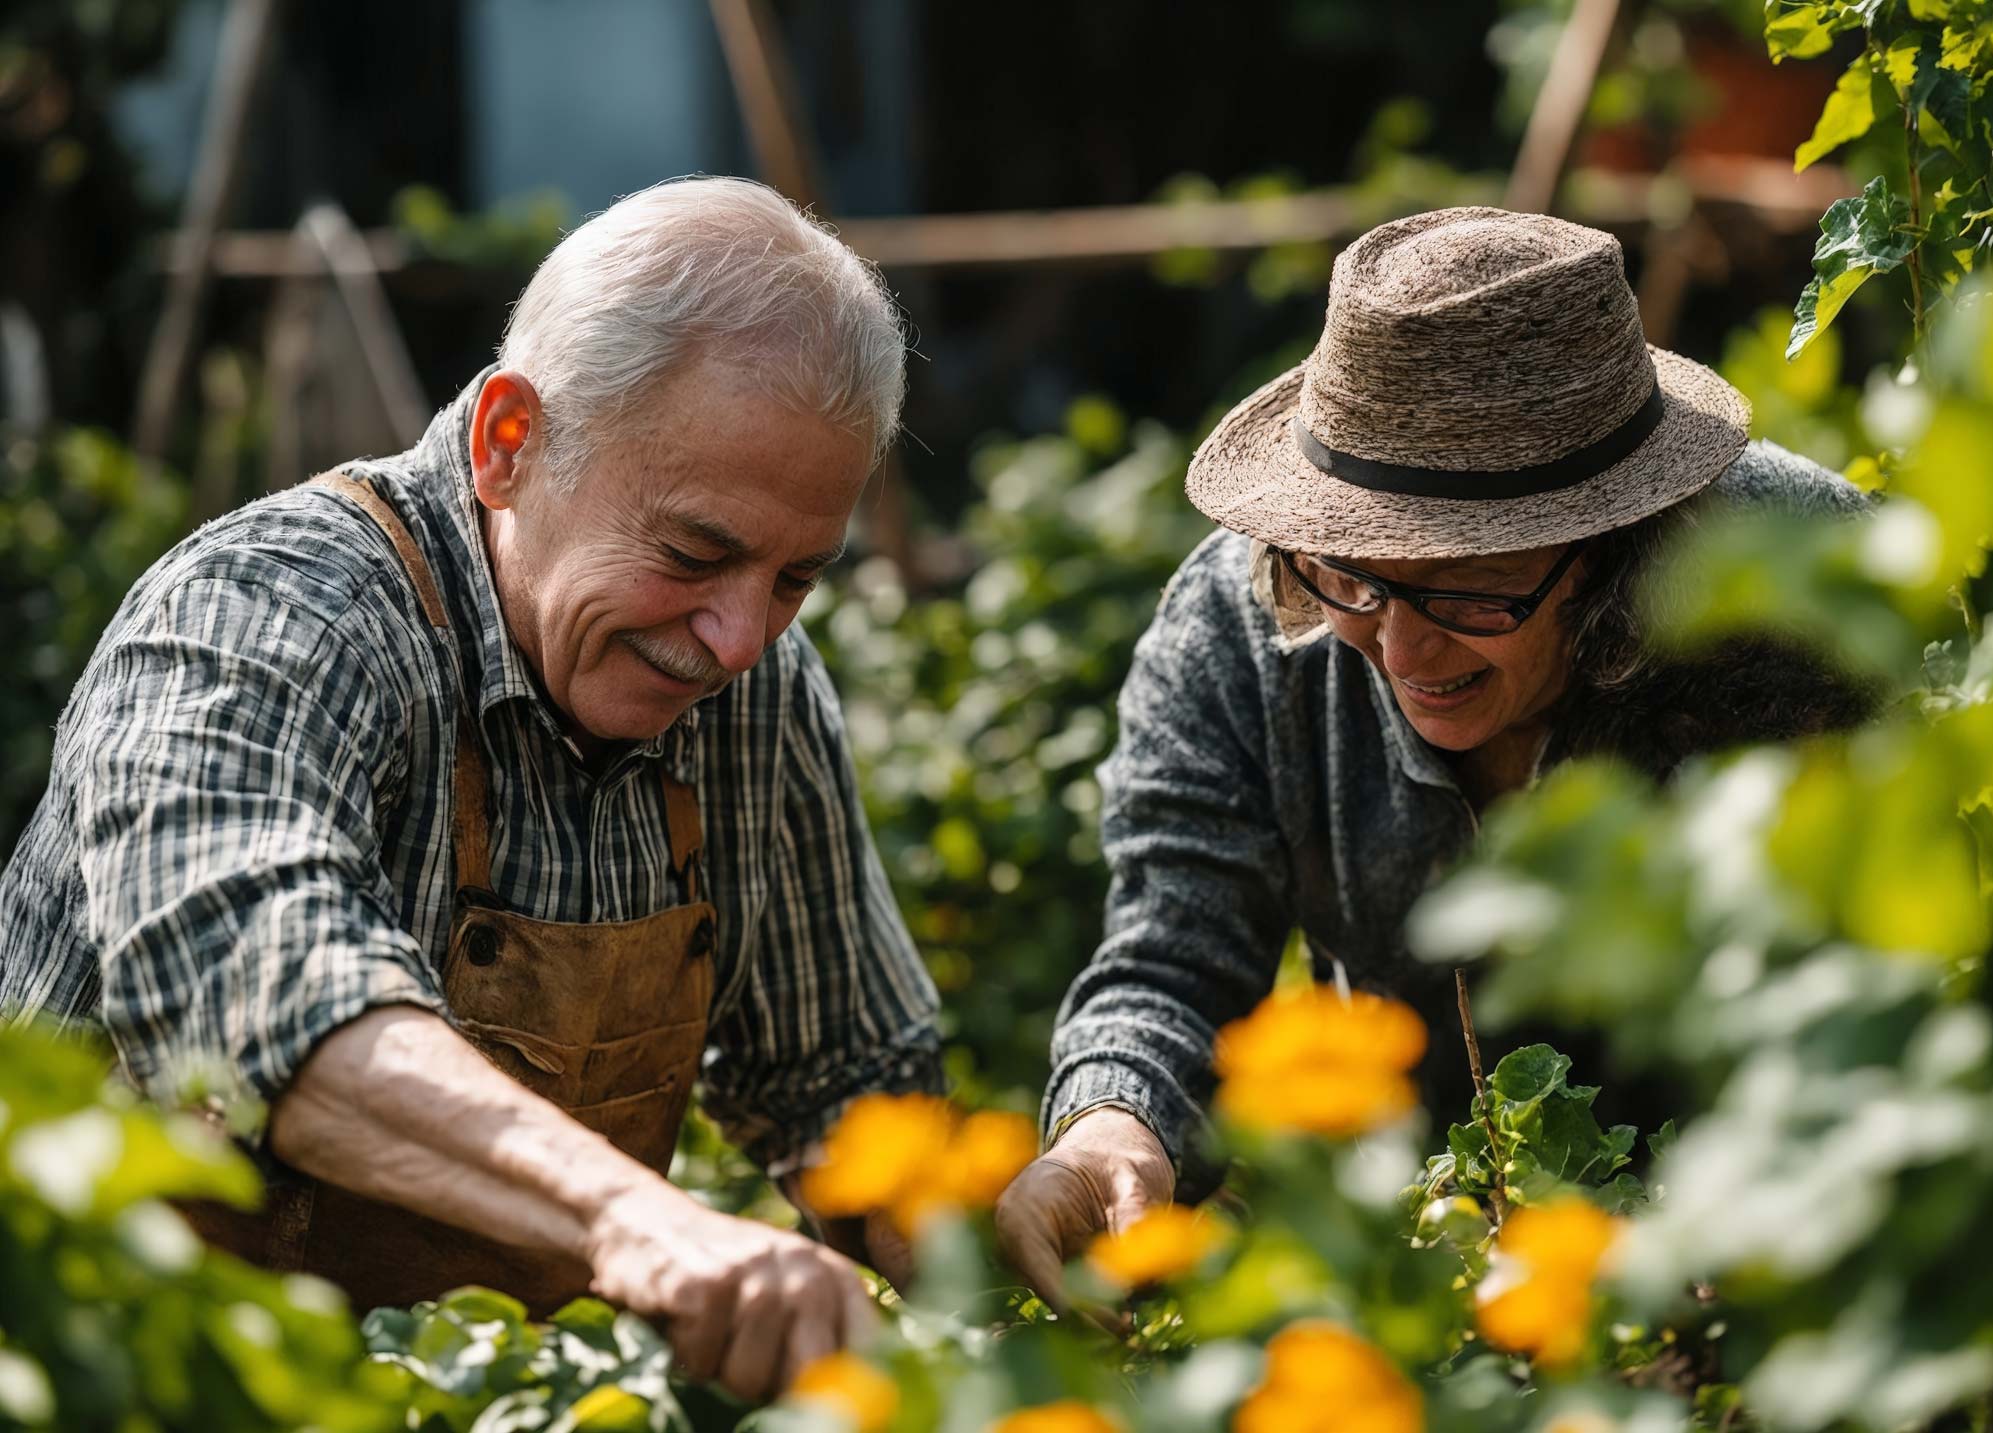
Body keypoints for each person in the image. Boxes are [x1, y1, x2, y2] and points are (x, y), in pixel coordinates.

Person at [0, 177, 939, 1401]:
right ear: (510, 442)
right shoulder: (272, 614)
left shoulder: (748, 692)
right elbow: (249, 996)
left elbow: (843, 1077)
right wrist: (635, 1220)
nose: (738, 637)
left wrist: (988, 1236)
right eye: (692, 553)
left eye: (797, 577)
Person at [994, 207, 1879, 1303]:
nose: (1401, 646)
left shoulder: (1808, 594)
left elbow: (1888, 986)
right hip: (1421, 1243)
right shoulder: (1239, 622)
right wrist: (1108, 1129)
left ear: (1618, 545)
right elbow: (1171, 949)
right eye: (1354, 574)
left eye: (1468, 586)